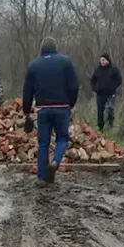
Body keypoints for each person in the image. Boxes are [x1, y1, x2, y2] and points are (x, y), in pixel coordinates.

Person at [22, 36, 80, 184]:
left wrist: (26, 111)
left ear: (41, 49)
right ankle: (55, 162)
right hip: (62, 108)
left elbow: (27, 91)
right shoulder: (66, 62)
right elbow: (74, 86)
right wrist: (71, 103)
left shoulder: (33, 65)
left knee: (43, 143)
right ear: (55, 48)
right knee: (62, 138)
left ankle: (42, 177)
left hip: (43, 109)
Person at [90, 53, 123, 132]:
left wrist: (113, 87)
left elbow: (119, 80)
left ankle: (111, 125)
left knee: (110, 109)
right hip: (100, 94)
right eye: (101, 60)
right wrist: (95, 88)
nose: (102, 62)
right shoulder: (97, 70)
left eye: (104, 60)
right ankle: (100, 126)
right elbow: (93, 80)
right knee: (100, 111)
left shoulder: (113, 69)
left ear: (108, 60)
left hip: (110, 94)